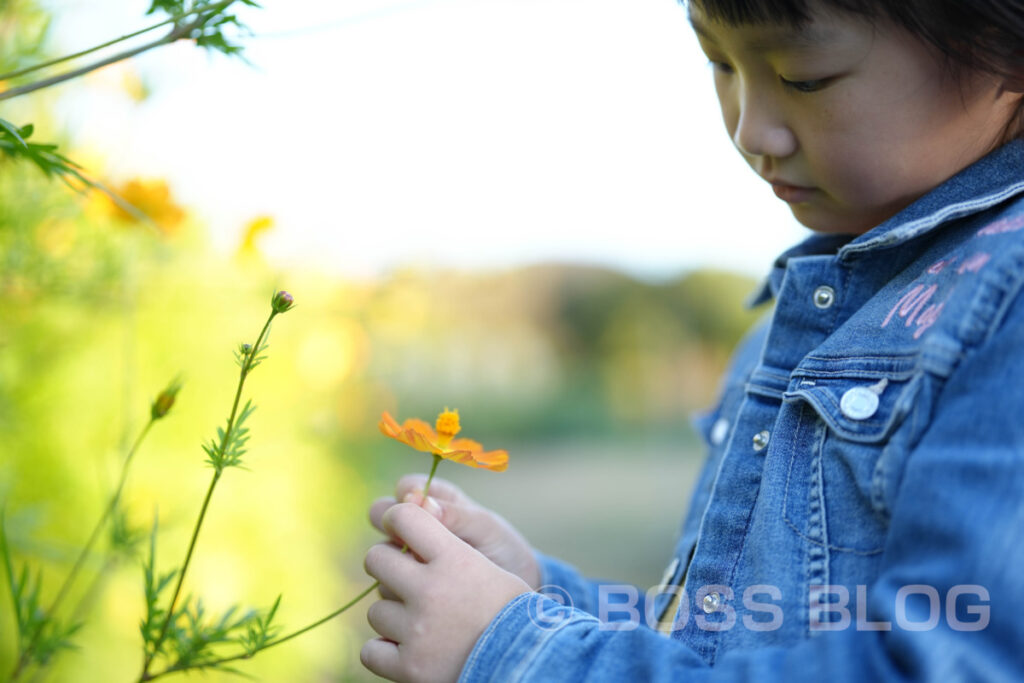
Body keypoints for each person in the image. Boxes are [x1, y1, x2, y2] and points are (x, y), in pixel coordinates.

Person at [361, 0, 1024, 680]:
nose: (750, 128)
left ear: (1004, 46)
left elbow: (958, 661)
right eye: (720, 62)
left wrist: (516, 652)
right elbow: (724, 640)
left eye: (803, 77)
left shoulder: (1009, 299)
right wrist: (535, 596)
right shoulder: (797, 321)